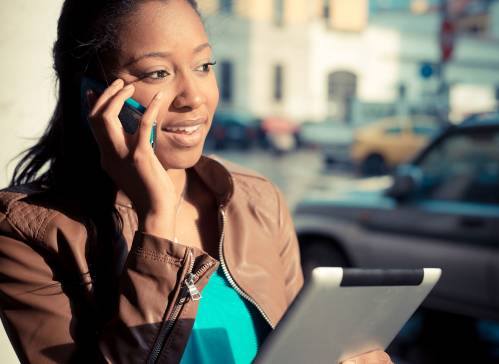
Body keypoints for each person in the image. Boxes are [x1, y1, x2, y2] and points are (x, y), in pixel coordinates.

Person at [0, 1, 393, 363]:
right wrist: (156, 223)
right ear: (95, 97)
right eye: (158, 72)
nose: (193, 96)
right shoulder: (26, 232)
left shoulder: (257, 198)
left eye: (203, 66)